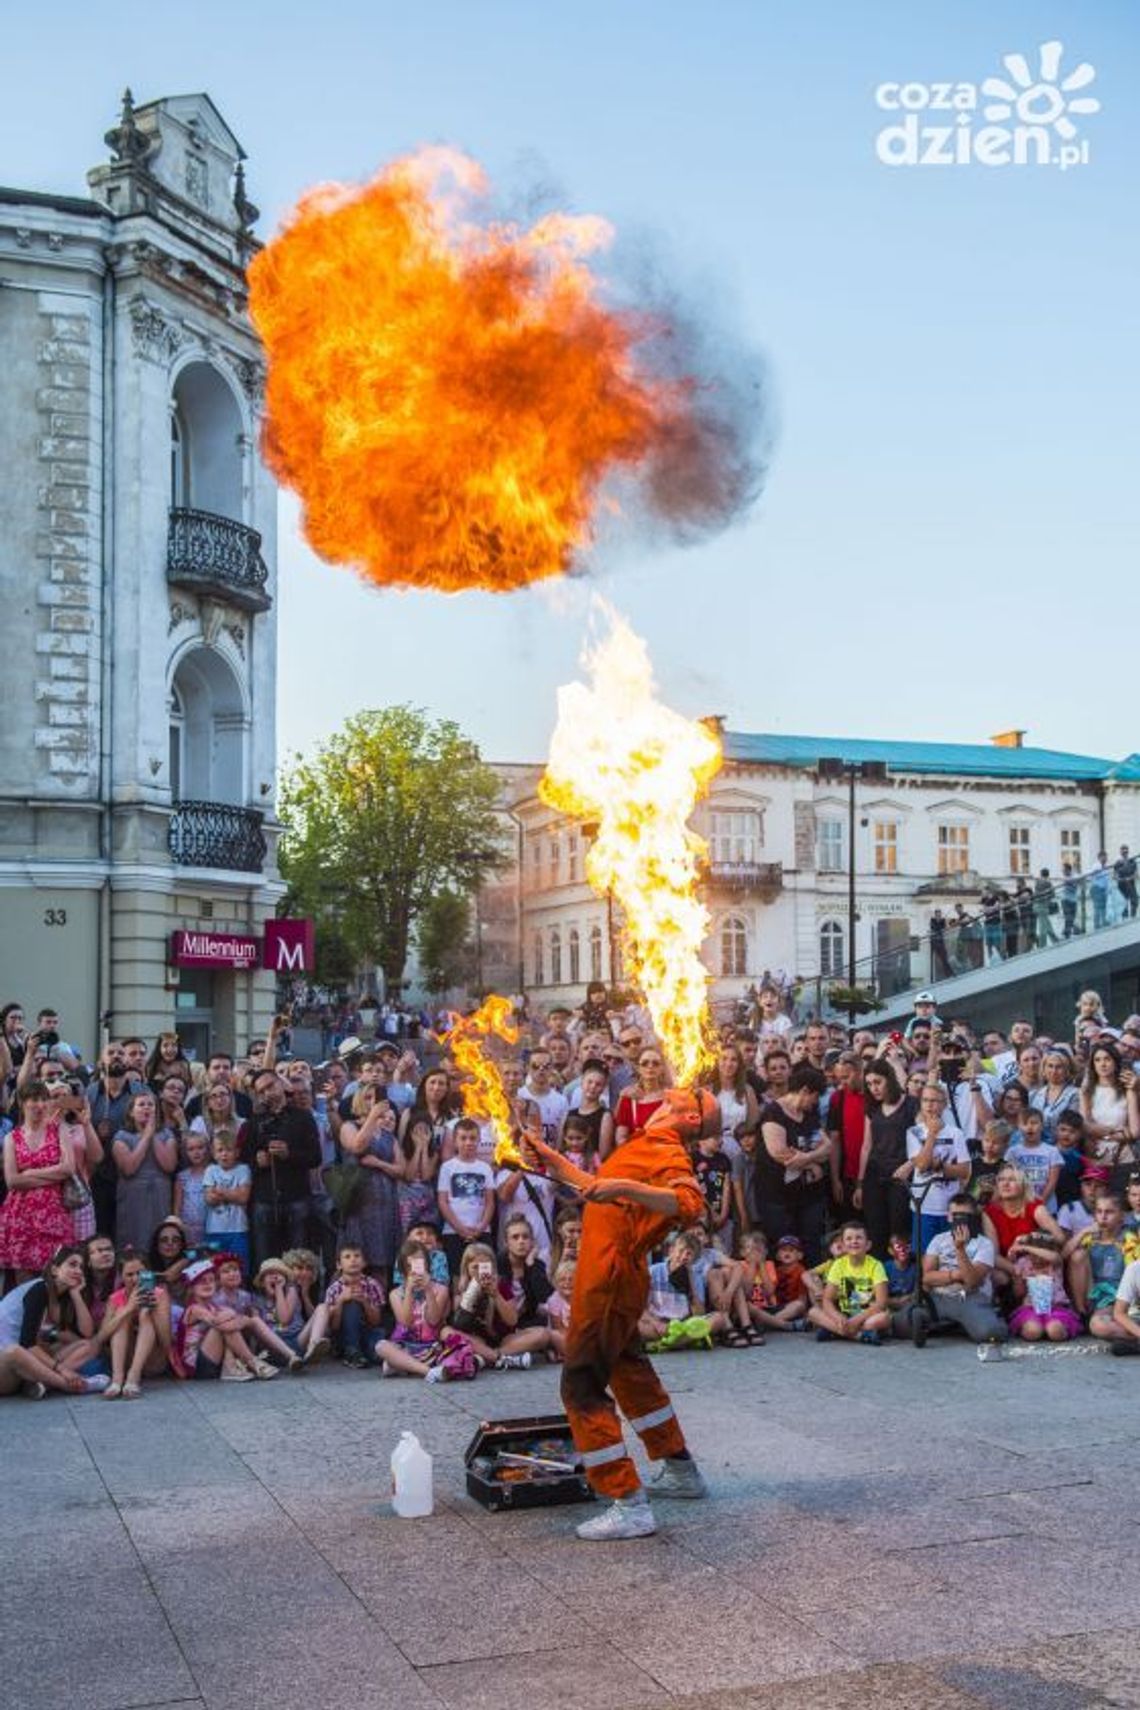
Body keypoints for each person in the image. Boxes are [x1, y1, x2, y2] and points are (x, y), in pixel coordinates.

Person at [520, 1087, 719, 1543]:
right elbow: (594, 1187)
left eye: (677, 1099)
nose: (666, 1096)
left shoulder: (667, 1150)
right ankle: (681, 1471)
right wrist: (550, 1156)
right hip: (613, 1277)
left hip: (608, 1280)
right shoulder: (645, 1144)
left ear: (689, 1118)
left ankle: (627, 1502)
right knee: (629, 1371)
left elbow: (690, 1204)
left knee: (582, 1384)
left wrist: (623, 1187)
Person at [899, 1193, 1007, 1344]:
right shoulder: (939, 1240)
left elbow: (972, 1282)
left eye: (964, 1215)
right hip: (939, 1296)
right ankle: (947, 1324)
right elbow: (926, 1277)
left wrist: (960, 1249)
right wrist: (955, 1275)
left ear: (973, 1216)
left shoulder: (984, 1244)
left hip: (969, 1297)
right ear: (948, 1217)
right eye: (955, 1215)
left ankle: (949, 1324)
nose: (959, 1220)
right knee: (900, 1325)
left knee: (990, 1334)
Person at [0, 1246, 104, 1398]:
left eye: (82, 1267)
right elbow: (27, 1344)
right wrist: (62, 1369)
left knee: (90, 1345)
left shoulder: (62, 1295)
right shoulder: (39, 1289)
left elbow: (87, 1333)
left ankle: (41, 1383)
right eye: (72, 1264)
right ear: (55, 1270)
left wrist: (76, 1295)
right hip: (6, 1365)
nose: (78, 1271)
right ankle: (74, 1386)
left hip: (25, 1366)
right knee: (14, 1351)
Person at [755, 1065, 832, 1264]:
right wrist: (812, 1164)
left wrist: (806, 1159)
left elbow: (827, 1147)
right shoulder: (774, 1113)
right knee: (783, 1247)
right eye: (815, 1096)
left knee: (811, 1245)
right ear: (805, 1091)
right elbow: (779, 1153)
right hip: (777, 1196)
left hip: (809, 1196)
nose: (816, 1102)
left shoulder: (810, 1113)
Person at [0, 1083, 77, 1278]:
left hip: (54, 1213)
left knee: (56, 1277)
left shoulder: (59, 1130)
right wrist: (53, 1173)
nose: (40, 1105)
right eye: (34, 1100)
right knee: (24, 1283)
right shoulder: (12, 1138)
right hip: (20, 1215)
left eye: (44, 1100)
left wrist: (28, 1173)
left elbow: (69, 1168)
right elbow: (12, 1181)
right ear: (23, 1103)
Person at [246, 1071, 320, 1268]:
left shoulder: (303, 1117)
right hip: (265, 1198)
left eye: (271, 1086)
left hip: (297, 1196)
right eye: (262, 1091)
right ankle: (268, 1298)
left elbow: (316, 1157)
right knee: (265, 1260)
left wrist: (289, 1154)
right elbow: (244, 1159)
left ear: (281, 1083)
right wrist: (257, 1161)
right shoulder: (255, 1121)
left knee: (299, 1260)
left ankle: (299, 1297)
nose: (268, 1093)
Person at [339, 1088, 403, 1284]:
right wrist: (373, 1116)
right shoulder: (349, 1126)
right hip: (359, 1203)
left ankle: (379, 1308)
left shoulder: (388, 1135)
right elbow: (357, 1146)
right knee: (357, 1261)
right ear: (358, 1100)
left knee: (382, 1261)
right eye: (368, 1098)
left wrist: (379, 1164)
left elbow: (401, 1170)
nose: (373, 1102)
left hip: (385, 1203)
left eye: (376, 1099)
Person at [111, 1090, 177, 1258]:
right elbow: (129, 1168)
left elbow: (169, 1165)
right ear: (131, 1112)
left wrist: (152, 1134)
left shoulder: (166, 1135)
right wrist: (145, 1136)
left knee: (159, 1240)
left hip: (160, 1197)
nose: (146, 1108)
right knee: (133, 1244)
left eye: (151, 1105)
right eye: (141, 1105)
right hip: (133, 1197)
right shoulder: (121, 1137)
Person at [100, 1251, 174, 1399]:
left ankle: (134, 1376)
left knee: (145, 1314)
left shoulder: (159, 1294)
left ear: (148, 1273)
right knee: (122, 1314)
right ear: (121, 1277)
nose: (135, 1279)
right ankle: (117, 1379)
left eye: (140, 1273)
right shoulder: (115, 1298)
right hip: (124, 1359)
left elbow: (167, 1342)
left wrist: (154, 1312)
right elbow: (101, 1337)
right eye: (129, 1274)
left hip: (153, 1361)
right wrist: (129, 1308)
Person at [808, 1222, 890, 1345]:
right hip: (844, 1314)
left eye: (859, 1238)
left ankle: (835, 1331)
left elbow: (881, 1302)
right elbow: (827, 1299)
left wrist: (857, 1320)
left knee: (883, 1318)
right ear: (843, 1246)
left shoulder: (876, 1265)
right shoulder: (839, 1264)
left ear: (868, 1245)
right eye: (849, 1238)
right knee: (813, 1313)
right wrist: (837, 1316)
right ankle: (860, 1336)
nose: (854, 1241)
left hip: (867, 1315)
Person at [1008, 1234, 1082, 1342]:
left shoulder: (1054, 1263)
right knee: (1032, 1332)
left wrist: (1025, 1247)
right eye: (1032, 1255)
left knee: (1055, 1331)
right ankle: (1039, 1328)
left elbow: (1055, 1257)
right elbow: (1018, 1293)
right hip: (1031, 1308)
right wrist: (1017, 1279)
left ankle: (1052, 1328)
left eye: (1039, 1254)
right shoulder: (1024, 1263)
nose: (1037, 1259)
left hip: (1056, 1308)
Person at [324, 1241, 385, 1368]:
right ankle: (352, 1351)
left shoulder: (372, 1284)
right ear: (339, 1265)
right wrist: (340, 1301)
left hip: (367, 1331)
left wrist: (365, 1301)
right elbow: (333, 1327)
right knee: (351, 1303)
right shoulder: (334, 1289)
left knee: (378, 1349)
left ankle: (360, 1353)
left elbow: (376, 1321)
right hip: (343, 1334)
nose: (353, 1260)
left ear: (364, 1263)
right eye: (347, 1257)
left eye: (357, 1256)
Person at [202, 1129, 252, 1271]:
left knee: (239, 1267)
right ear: (213, 1153)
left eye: (229, 1150)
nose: (224, 1154)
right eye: (220, 1150)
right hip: (214, 1230)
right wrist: (233, 1193)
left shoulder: (243, 1169)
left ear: (237, 1152)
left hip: (238, 1230)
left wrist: (221, 1191)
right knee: (214, 1268)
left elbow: (243, 1197)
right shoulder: (210, 1170)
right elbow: (210, 1199)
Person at [1115, 845, 1138, 918]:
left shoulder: (1132, 860)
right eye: (1123, 851)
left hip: (1131, 883)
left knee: (1135, 899)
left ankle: (1133, 915)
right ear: (1120, 852)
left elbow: (1136, 873)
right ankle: (1124, 916)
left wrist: (1130, 878)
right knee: (1124, 901)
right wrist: (1121, 879)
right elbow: (1114, 875)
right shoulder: (1118, 862)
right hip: (1122, 884)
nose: (1125, 852)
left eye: (1126, 851)